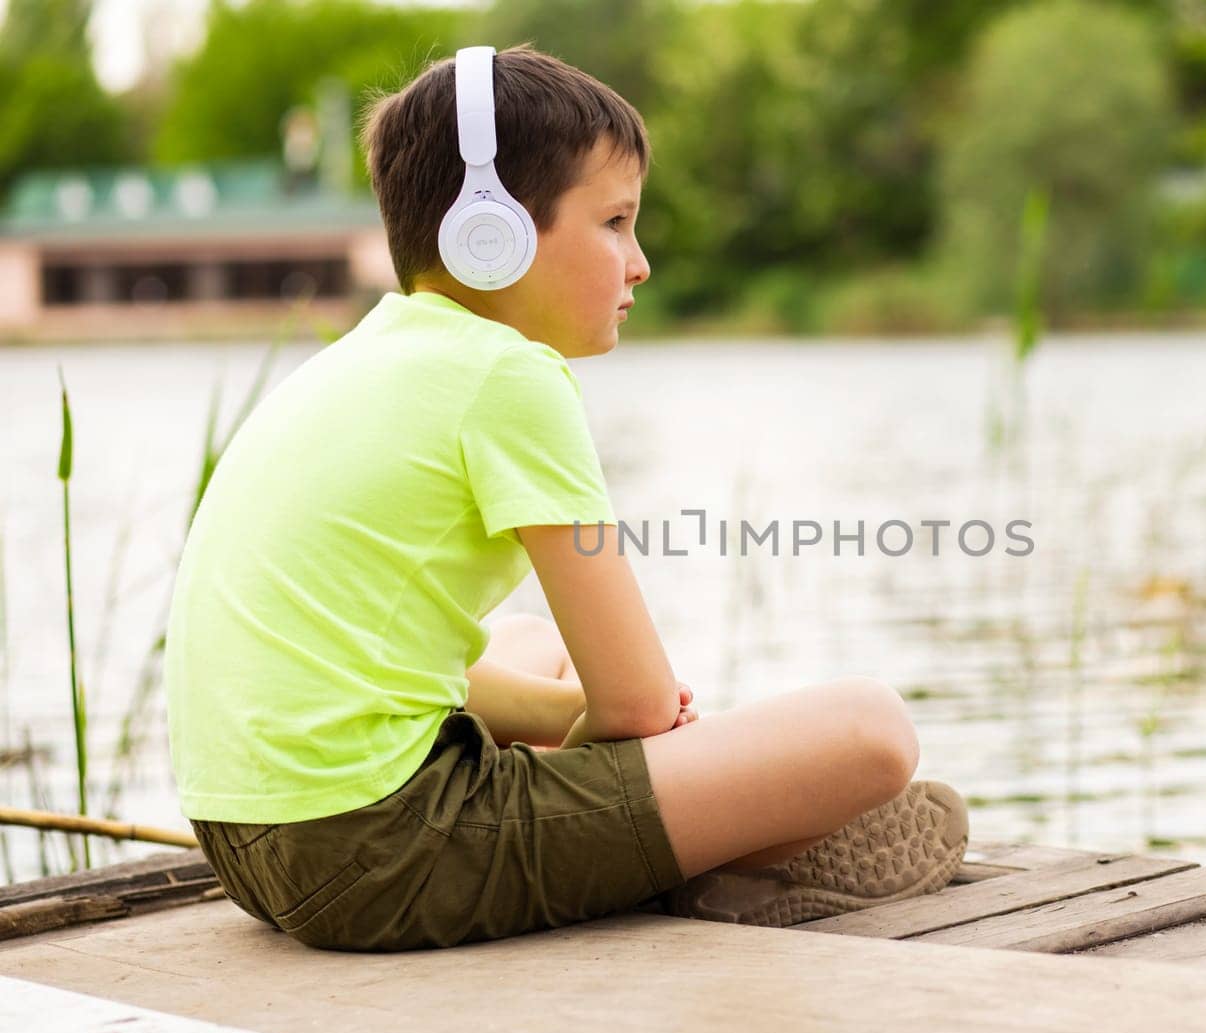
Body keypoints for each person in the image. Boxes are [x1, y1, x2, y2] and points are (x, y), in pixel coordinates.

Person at [164, 43, 968, 952]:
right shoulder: (512, 379)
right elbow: (637, 707)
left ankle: (700, 846)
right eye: (616, 222)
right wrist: (623, 757)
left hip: (253, 843)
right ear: (491, 232)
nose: (641, 263)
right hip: (375, 853)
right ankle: (713, 858)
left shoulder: (367, 358)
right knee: (873, 732)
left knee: (535, 646)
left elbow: (380, 662)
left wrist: (564, 724)